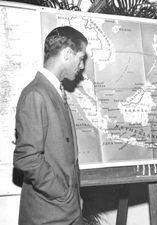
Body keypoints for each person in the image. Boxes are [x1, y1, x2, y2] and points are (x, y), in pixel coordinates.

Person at [13, 26, 88, 225]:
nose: (81, 66)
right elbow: (27, 157)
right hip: (48, 215)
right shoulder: (36, 94)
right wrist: (62, 194)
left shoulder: (54, 92)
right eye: (81, 58)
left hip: (67, 211)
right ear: (67, 54)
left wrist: (72, 198)